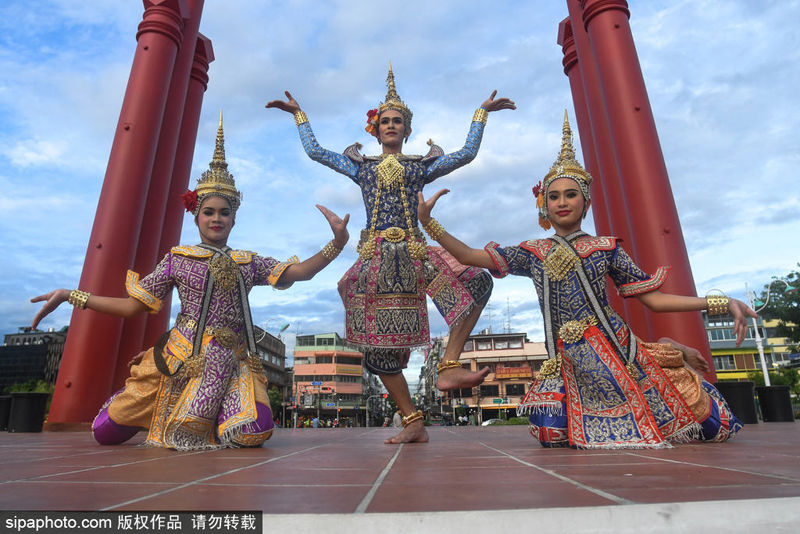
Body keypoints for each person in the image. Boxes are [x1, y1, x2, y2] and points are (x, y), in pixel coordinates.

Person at [416, 112, 753, 449]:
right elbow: (469, 256)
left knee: (707, 423)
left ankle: (666, 351)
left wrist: (719, 302)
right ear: (544, 206)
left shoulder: (605, 248)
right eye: (554, 196)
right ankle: (665, 350)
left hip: (611, 347)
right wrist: (430, 224)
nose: (562, 202)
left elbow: (655, 299)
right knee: (550, 432)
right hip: (564, 359)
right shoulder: (534, 251)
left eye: (570, 194)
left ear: (586, 202)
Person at [30, 116, 350, 450]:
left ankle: (214, 417)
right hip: (183, 357)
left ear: (234, 218)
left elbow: (301, 273)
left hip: (234, 360)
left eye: (223, 212)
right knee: (105, 433)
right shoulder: (178, 258)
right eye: (208, 212)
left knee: (254, 431)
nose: (216, 219)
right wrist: (72, 296)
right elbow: (131, 307)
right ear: (196, 216)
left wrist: (337, 245)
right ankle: (156, 403)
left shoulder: (247, 261)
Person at [267, 64, 515, 444]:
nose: (391, 125)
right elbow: (316, 152)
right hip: (377, 259)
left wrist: (480, 114)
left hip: (416, 251)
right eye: (385, 120)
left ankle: (448, 365)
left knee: (477, 282)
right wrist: (300, 114)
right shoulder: (361, 167)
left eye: (398, 120)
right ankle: (412, 419)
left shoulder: (419, 167)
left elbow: (466, 154)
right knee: (379, 350)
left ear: (407, 128)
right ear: (375, 128)